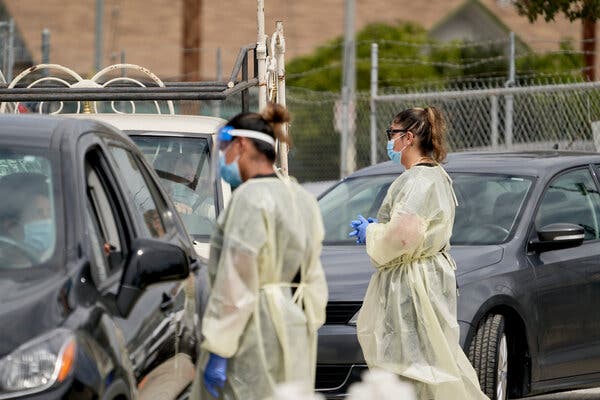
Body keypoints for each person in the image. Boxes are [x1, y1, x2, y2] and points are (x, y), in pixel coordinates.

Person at [349, 107, 488, 400]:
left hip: (412, 284)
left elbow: (401, 237)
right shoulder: (434, 176)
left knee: (414, 368)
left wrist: (373, 233)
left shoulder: (417, 180)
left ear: (408, 137)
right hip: (425, 277)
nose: (389, 141)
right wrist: (381, 227)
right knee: (432, 362)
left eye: (392, 134)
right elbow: (413, 229)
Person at [192, 103, 328, 400]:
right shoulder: (300, 197)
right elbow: (314, 276)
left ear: (240, 144)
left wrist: (219, 347)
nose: (221, 158)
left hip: (254, 331)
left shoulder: (249, 199)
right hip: (296, 326)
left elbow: (237, 283)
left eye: (224, 148)